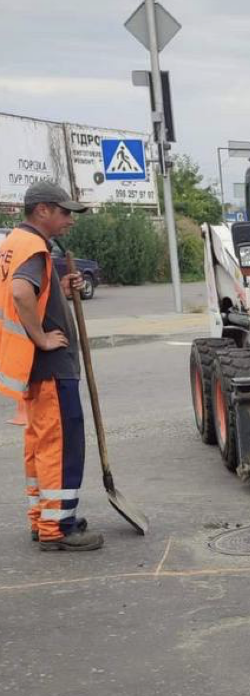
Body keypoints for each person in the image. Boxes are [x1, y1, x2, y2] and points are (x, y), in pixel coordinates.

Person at [0, 182, 102, 552]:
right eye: (64, 212)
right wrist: (42, 338)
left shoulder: (14, 242)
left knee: (41, 444)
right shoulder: (33, 247)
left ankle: (43, 518)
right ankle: (58, 528)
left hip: (32, 366)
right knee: (60, 445)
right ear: (42, 210)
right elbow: (20, 293)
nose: (70, 220)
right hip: (50, 365)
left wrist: (58, 286)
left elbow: (31, 292)